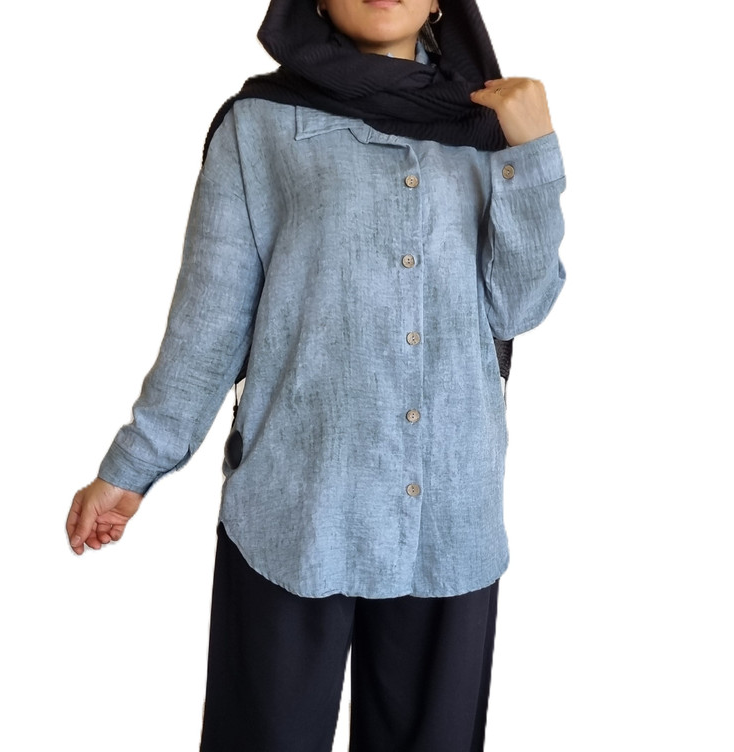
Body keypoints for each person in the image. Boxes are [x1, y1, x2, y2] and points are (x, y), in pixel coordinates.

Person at [65, 0, 566, 749]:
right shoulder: (258, 126)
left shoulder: (492, 126)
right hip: (295, 511)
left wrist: (535, 154)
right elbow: (208, 326)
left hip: (448, 516)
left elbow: (519, 308)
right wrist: (131, 469)